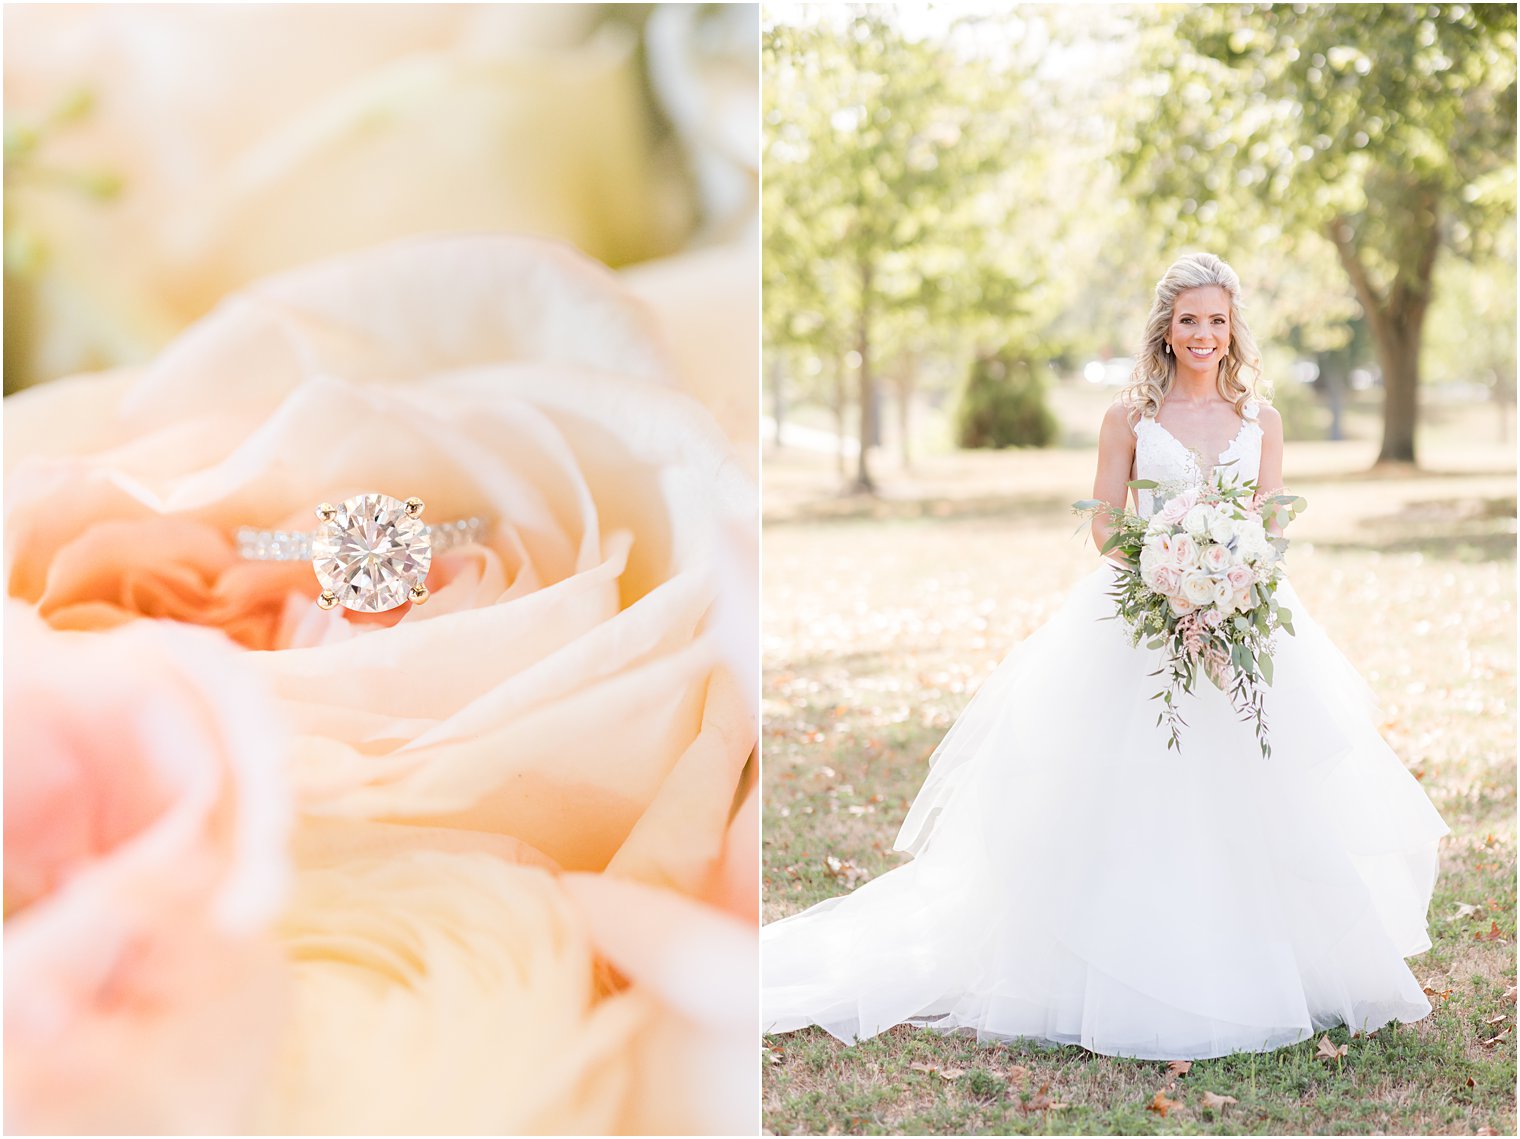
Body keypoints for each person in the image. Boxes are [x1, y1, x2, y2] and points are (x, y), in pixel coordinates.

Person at [761, 252, 1450, 1061]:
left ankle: (1269, 961)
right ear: (1166, 328)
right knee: (1131, 785)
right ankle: (1113, 964)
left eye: (1217, 321)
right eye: (1189, 319)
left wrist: (1229, 577)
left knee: (1257, 786)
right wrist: (1166, 566)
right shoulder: (1129, 417)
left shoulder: (1262, 420)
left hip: (1241, 618)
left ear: (1233, 332)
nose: (1203, 334)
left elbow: (1269, 522)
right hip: (1139, 617)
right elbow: (1102, 522)